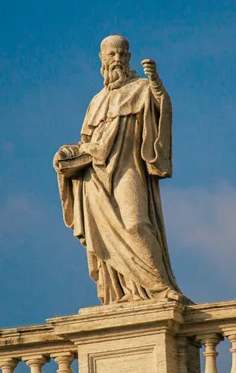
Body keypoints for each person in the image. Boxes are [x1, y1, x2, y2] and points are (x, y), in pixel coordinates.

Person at [54, 35, 186, 305]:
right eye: (111, 55)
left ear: (128, 57)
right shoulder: (95, 102)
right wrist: (70, 153)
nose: (116, 59)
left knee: (137, 224)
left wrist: (157, 84)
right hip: (96, 179)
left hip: (128, 169)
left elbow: (162, 110)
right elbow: (87, 142)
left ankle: (159, 289)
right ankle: (122, 292)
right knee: (106, 236)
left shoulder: (141, 88)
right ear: (102, 60)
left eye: (121, 54)